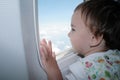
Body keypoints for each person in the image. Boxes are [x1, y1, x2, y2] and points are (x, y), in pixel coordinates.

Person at [39, 0, 120, 80]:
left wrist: (53, 70)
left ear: (94, 38)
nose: (68, 34)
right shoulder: (116, 55)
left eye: (73, 29)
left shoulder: (83, 71)